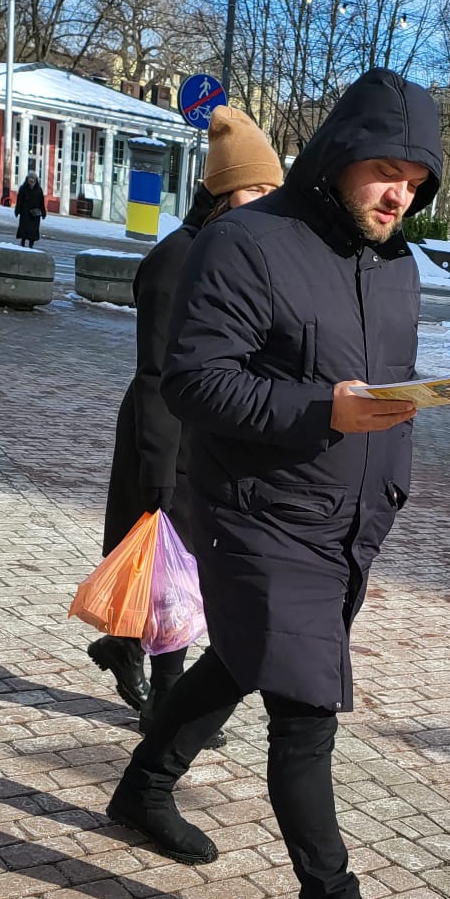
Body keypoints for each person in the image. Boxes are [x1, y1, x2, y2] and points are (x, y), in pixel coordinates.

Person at [105, 68, 442, 899]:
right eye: (385, 172)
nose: (398, 195)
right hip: (257, 514)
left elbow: (378, 388)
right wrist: (322, 409)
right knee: (305, 708)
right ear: (340, 156)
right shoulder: (247, 244)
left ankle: (142, 788)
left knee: (245, 658)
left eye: (415, 181)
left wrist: (390, 464)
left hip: (350, 522)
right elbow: (195, 381)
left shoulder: (398, 264)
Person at [88, 106, 283, 722]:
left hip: (209, 436)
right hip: (168, 438)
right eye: (256, 189)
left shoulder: (237, 254)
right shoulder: (179, 259)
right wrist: (158, 473)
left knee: (183, 570)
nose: (267, 203)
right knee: (175, 570)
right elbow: (156, 374)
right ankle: (166, 704)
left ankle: (126, 646)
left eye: (273, 191)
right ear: (222, 191)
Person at [15, 166, 46, 247]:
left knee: (33, 230)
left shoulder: (39, 190)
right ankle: (22, 242)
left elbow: (41, 202)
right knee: (24, 229)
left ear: (35, 180)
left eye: (33, 178)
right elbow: (19, 201)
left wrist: (43, 212)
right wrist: (17, 210)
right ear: (27, 179)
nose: (31, 180)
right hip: (25, 212)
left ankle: (31, 245)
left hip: (35, 213)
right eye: (30, 178)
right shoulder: (23, 188)